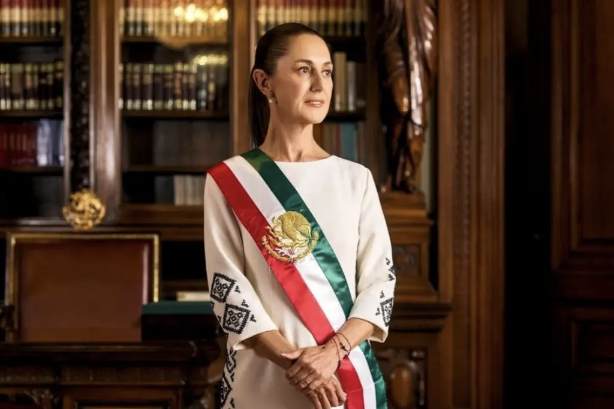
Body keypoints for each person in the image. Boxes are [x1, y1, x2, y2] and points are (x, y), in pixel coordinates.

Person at [203, 23, 397, 409]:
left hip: (343, 380)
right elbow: (229, 288)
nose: (320, 85)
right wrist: (296, 364)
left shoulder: (355, 179)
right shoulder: (230, 180)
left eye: (327, 71)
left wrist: (331, 354)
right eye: (304, 70)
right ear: (265, 83)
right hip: (263, 381)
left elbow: (380, 285)